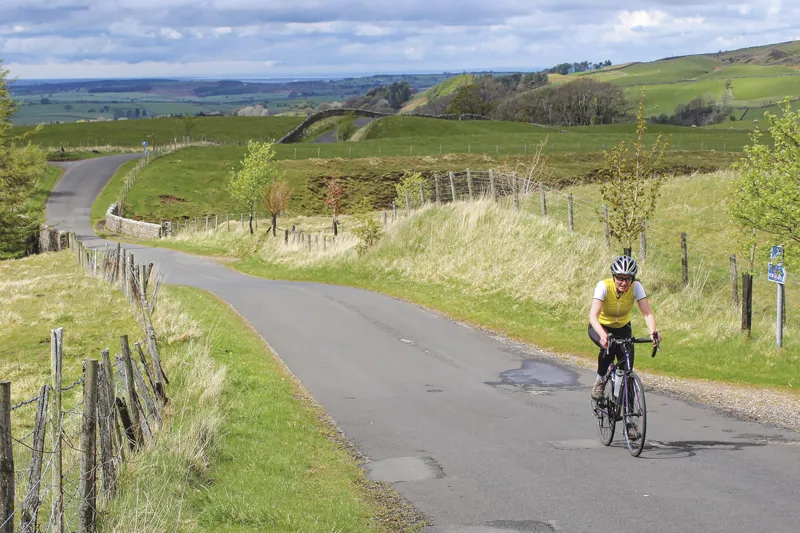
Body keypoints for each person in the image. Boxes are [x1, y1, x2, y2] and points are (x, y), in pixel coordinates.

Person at [588, 255, 660, 402]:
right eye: (620, 278)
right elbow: (593, 317)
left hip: (623, 326)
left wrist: (653, 332)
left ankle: (630, 418)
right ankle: (600, 380)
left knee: (627, 369)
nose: (624, 282)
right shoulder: (603, 286)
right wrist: (603, 335)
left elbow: (647, 312)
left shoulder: (636, 287)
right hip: (601, 325)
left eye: (628, 278)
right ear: (613, 276)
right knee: (608, 348)